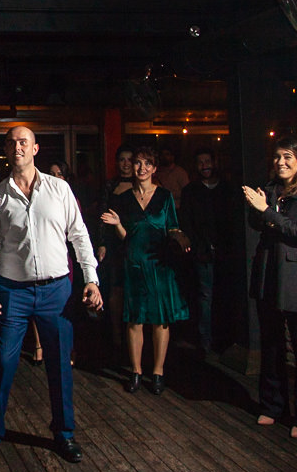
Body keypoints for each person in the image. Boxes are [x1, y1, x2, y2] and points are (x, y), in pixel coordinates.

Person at [0, 126, 102, 469]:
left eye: (23, 142)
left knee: (59, 364)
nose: (18, 147)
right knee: (3, 362)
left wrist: (91, 279)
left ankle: (64, 433)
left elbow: (80, 235)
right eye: (12, 143)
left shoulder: (59, 189)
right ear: (6, 150)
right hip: (12, 291)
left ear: (35, 149)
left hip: (56, 291)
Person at [243, 136, 297, 439]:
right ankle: (272, 406)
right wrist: (261, 211)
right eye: (278, 157)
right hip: (269, 274)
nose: (280, 162)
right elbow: (257, 223)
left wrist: (268, 212)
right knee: (271, 344)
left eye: (287, 157)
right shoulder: (271, 189)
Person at [101, 147, 190, 395]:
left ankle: (158, 372)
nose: (141, 168)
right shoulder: (124, 199)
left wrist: (180, 237)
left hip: (159, 264)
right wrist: (117, 224)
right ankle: (136, 371)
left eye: (147, 164)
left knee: (160, 320)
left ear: (154, 168)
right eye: (138, 163)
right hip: (135, 263)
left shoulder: (164, 196)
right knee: (135, 319)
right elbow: (126, 237)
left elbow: (173, 227)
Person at [179, 148, 239, 356]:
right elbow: (186, 223)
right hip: (202, 253)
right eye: (200, 162)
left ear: (215, 162)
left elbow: (233, 222)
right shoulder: (191, 191)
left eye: (207, 161)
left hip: (226, 253)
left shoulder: (227, 189)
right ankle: (205, 342)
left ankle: (225, 339)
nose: (204, 166)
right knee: (205, 296)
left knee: (225, 295)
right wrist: (198, 246)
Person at [96, 145, 135, 354]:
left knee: (134, 289)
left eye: (130, 159)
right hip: (114, 243)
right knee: (115, 288)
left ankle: (134, 332)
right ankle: (116, 333)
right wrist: (101, 243)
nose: (126, 164)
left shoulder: (143, 184)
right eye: (122, 159)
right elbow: (102, 214)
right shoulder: (110, 185)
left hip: (135, 241)